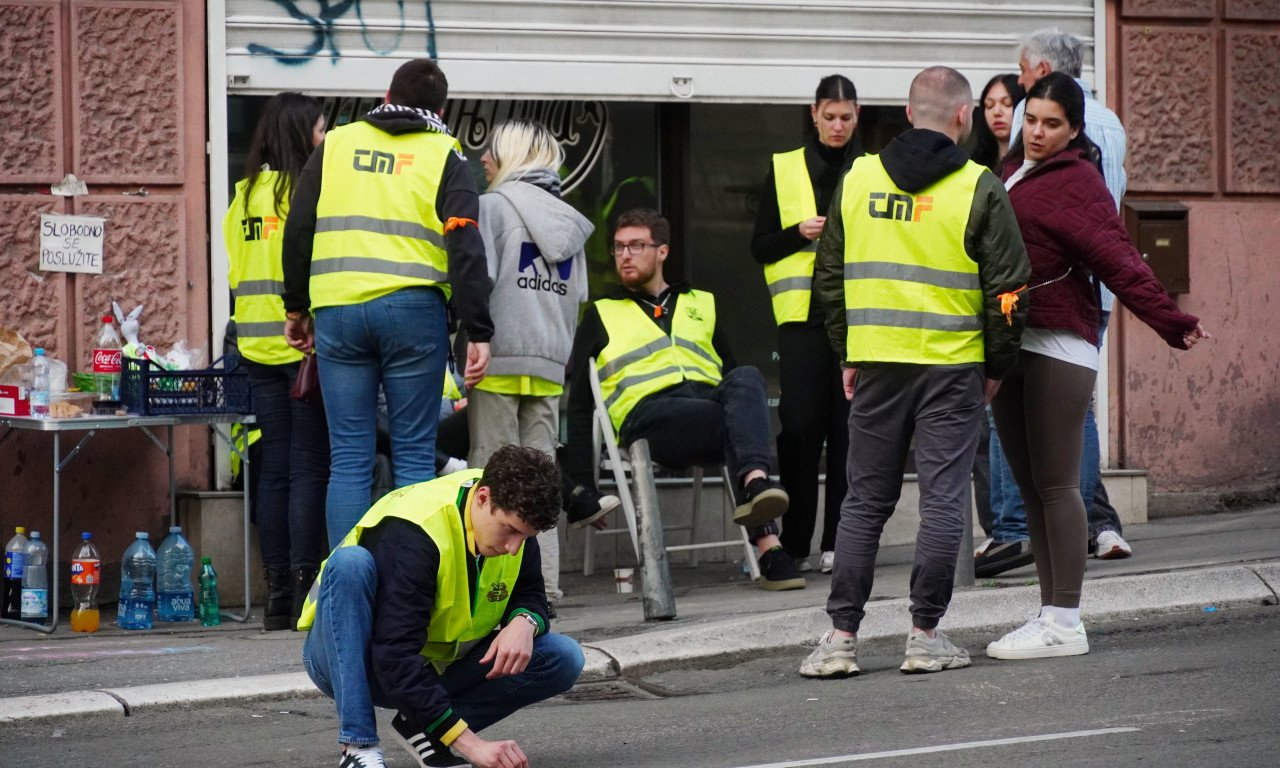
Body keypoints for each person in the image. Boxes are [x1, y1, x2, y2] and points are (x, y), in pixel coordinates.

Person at [800, 66, 1031, 678]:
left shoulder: (857, 178)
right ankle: (925, 636)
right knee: (943, 501)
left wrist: (848, 351)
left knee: (863, 501)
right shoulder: (980, 186)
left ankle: (840, 639)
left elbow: (828, 275)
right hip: (952, 368)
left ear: (908, 114)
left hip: (877, 363)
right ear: (964, 116)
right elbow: (1009, 290)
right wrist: (997, 364)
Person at [985, 73, 1209, 661]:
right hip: (1013, 341)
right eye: (1032, 120)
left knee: (1057, 485)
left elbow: (1119, 259)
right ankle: (1049, 614)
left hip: (1059, 344)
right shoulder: (1013, 170)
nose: (1037, 132)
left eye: (1052, 124)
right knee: (1031, 489)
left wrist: (1172, 321)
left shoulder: (1077, 181)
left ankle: (1066, 621)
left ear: (1075, 129)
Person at [281, 59, 494, 548]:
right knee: (415, 457)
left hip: (338, 314)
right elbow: (466, 244)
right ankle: (406, 577)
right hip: (413, 314)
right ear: (442, 110)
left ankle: (344, 579)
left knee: (349, 460)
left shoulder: (336, 144)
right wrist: (478, 330)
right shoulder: (446, 154)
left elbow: (299, 227)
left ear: (386, 96)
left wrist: (296, 307)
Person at [298, 445, 584, 768]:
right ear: (483, 498)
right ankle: (358, 748)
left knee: (562, 657)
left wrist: (524, 622)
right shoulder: (417, 534)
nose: (514, 548)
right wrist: (472, 746)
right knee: (350, 564)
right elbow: (394, 656)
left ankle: (425, 727)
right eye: (511, 531)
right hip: (352, 661)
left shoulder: (516, 513)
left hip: (429, 664)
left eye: (527, 537)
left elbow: (530, 593)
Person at [563, 208, 804, 591]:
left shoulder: (702, 302)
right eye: (619, 247)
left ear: (662, 251)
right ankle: (769, 546)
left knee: (747, 378)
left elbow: (734, 379)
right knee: (736, 422)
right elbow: (578, 407)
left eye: (636, 245)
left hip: (706, 413)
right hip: (648, 421)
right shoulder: (601, 312)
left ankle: (757, 487)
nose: (625, 255)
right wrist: (581, 485)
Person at [1013, 26, 1135, 561]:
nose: (1019, 82)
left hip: (1045, 295)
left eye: (1022, 71)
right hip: (1096, 292)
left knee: (1031, 419)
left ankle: (1025, 531)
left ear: (1043, 71)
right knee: (1077, 412)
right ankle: (1094, 526)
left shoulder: (1034, 120)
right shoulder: (1112, 123)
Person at [468, 118, 594, 611]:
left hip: (497, 357)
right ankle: (544, 590)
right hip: (547, 364)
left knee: (490, 478)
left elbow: (478, 281)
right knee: (542, 484)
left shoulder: (493, 208)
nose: (483, 159)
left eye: (492, 151)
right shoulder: (569, 220)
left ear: (511, 157)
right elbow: (578, 297)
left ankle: (492, 593)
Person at [224, 92, 331, 631]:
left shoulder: (243, 197)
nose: (325, 139)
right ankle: (308, 588)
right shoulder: (307, 192)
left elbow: (235, 272)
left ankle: (276, 597)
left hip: (255, 348)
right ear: (300, 134)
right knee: (309, 467)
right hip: (301, 344)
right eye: (320, 130)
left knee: (274, 471)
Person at [751, 74, 860, 574]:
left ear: (857, 116)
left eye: (846, 117)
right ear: (814, 114)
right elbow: (759, 247)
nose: (837, 125)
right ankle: (794, 542)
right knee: (798, 429)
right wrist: (798, 232)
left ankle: (839, 540)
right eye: (829, 116)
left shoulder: (870, 168)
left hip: (855, 316)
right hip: (801, 318)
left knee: (847, 431)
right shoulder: (784, 167)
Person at [970, 74, 1026, 170]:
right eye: (989, 105)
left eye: (1007, 103)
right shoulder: (975, 166)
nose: (996, 112)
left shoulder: (1034, 165)